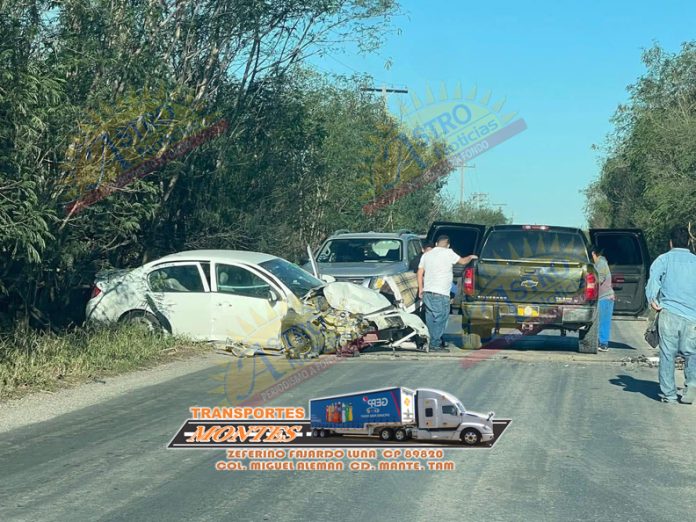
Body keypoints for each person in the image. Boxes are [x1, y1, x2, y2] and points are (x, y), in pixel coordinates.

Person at [645, 225, 696, 404]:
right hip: (692, 317)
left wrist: (652, 299)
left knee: (668, 354)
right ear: (689, 242)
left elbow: (653, 281)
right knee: (692, 353)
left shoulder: (663, 259)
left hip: (669, 314)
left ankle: (669, 394)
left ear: (671, 242)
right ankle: (691, 387)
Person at [417, 235, 477, 352]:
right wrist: (471, 256)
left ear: (436, 244)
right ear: (448, 245)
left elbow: (420, 273)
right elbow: (462, 261)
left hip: (427, 292)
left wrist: (420, 289)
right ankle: (435, 344)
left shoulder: (426, 255)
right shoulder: (449, 253)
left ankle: (431, 341)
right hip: (441, 293)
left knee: (430, 318)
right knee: (441, 319)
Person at [591, 245, 615, 352]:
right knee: (600, 321)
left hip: (605, 297)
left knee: (604, 321)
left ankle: (604, 344)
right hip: (602, 297)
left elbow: (599, 280)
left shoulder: (601, 263)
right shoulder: (598, 263)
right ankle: (601, 342)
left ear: (593, 253)